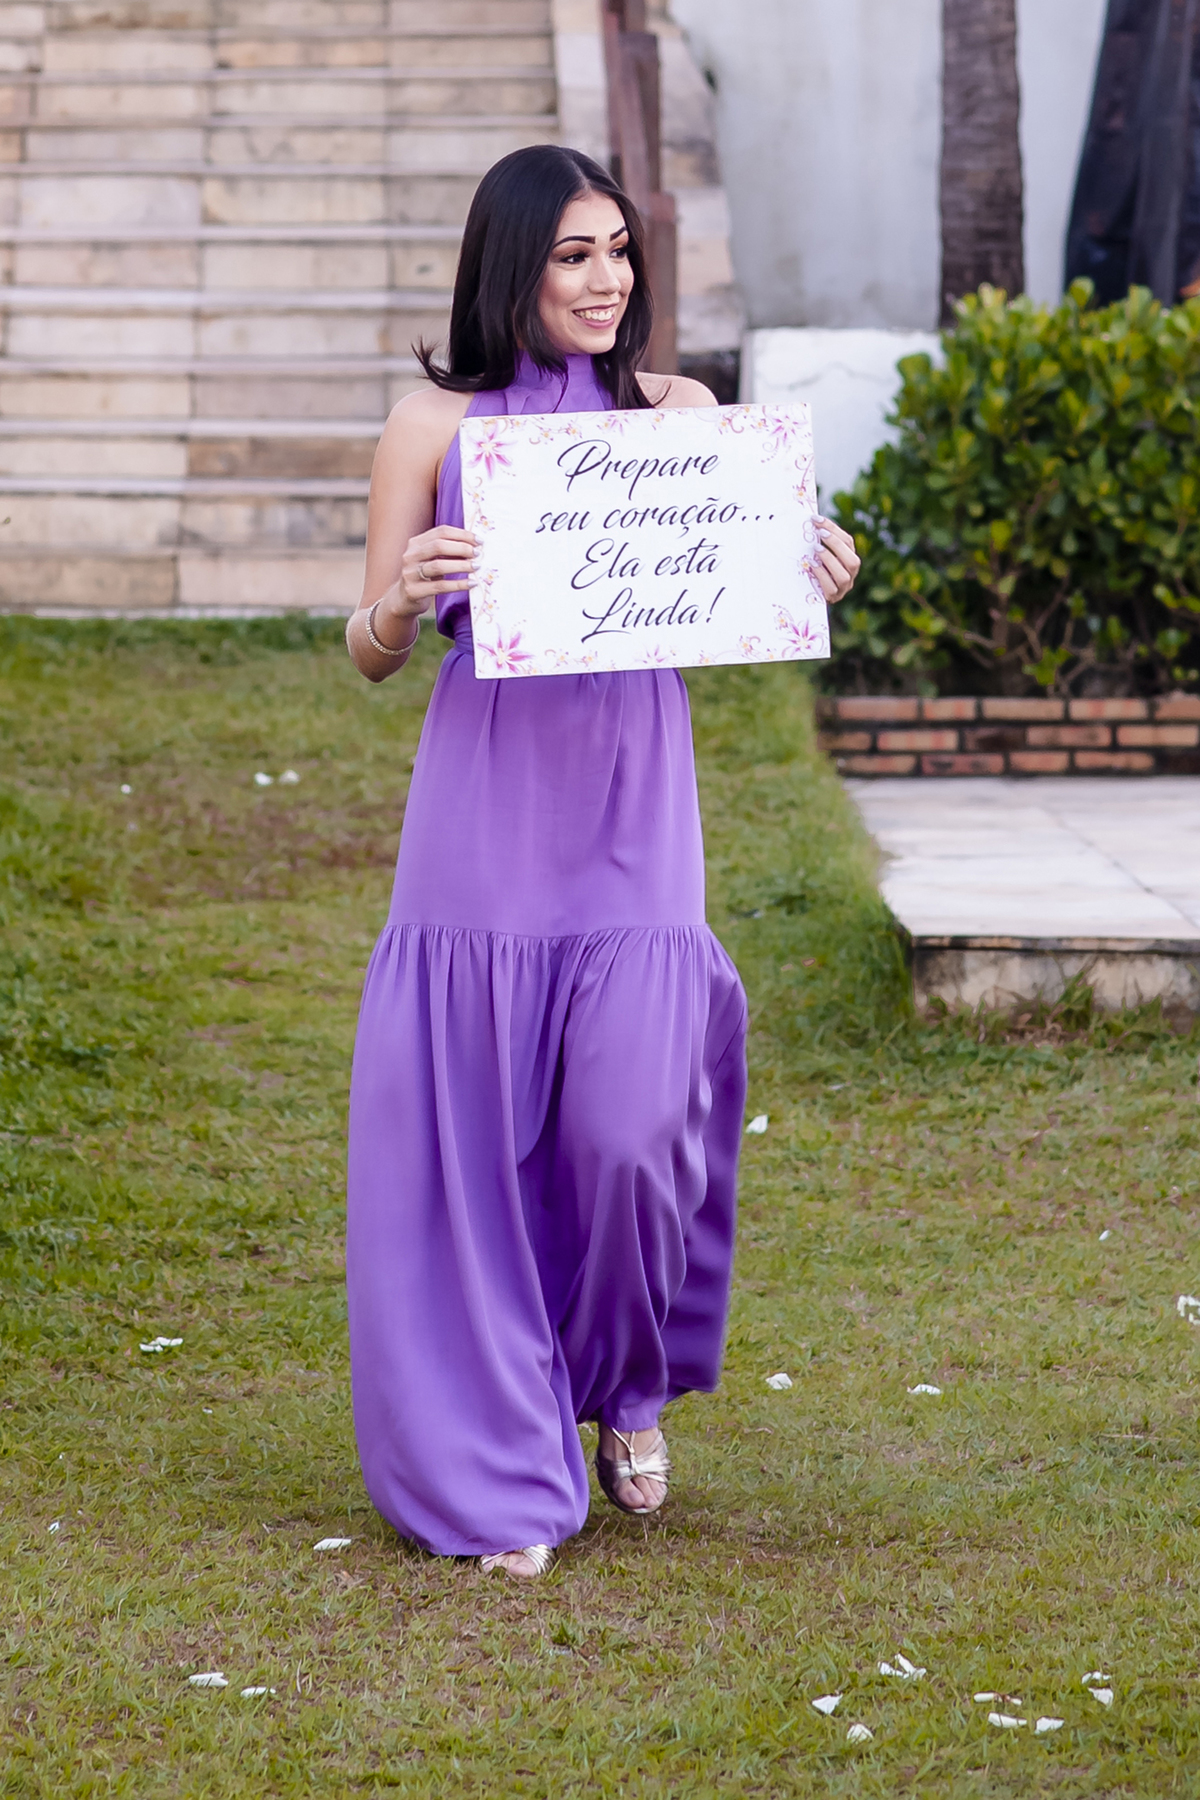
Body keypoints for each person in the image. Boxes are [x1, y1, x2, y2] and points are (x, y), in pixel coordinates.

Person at [344, 144, 860, 1579]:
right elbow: (367, 650)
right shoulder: (430, 423)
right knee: (480, 1155)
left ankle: (620, 1384)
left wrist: (807, 559)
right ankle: (501, 1466)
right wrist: (404, 596)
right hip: (483, 823)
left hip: (636, 817)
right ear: (514, 263)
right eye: (575, 253)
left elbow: (736, 572)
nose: (607, 278)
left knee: (635, 1132)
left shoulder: (677, 413)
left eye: (619, 252)